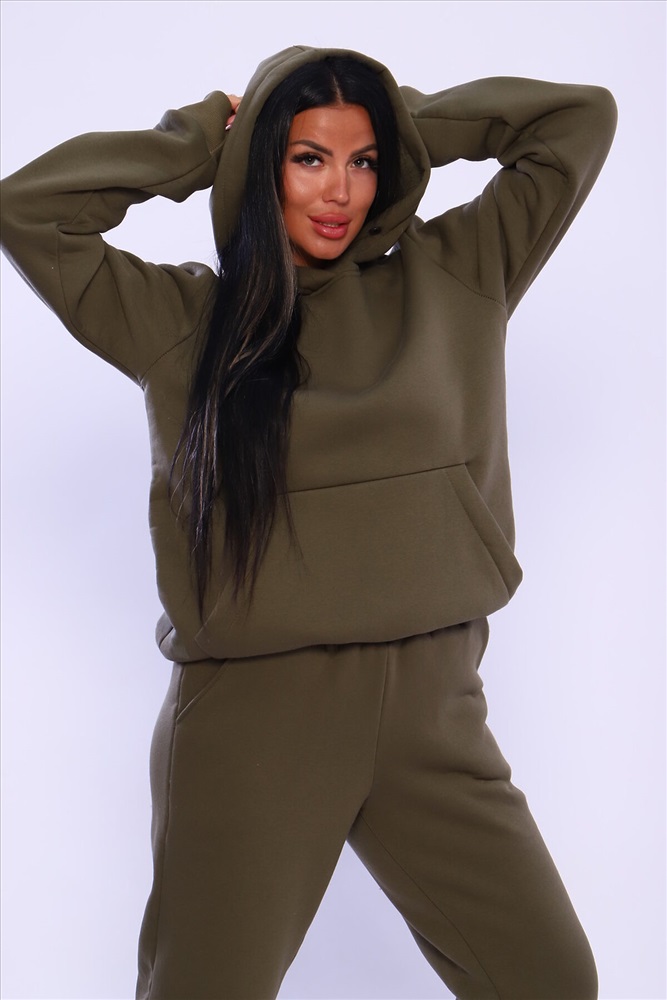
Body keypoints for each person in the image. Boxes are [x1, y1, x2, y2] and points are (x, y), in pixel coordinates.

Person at [0, 45, 616, 1000]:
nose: (340, 191)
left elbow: (578, 118)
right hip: (257, 721)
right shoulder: (184, 320)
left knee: (551, 981)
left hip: (433, 708)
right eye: (307, 158)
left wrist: (396, 121)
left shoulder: (459, 272)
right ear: (261, 166)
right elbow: (26, 210)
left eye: (363, 161)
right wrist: (207, 136)